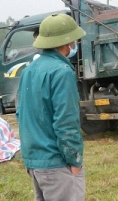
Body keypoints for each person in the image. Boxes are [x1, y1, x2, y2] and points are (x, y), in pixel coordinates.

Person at [16, 13, 86, 201]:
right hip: (56, 163)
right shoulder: (62, 72)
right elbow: (66, 122)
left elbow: (20, 113)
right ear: (67, 42)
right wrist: (74, 159)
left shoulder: (28, 70)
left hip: (35, 161)